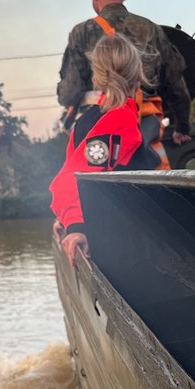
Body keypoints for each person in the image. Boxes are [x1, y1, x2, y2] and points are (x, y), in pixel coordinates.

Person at [57, 0, 193, 170]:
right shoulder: (151, 30)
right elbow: (176, 86)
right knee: (151, 183)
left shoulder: (82, 33)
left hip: (97, 135)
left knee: (94, 189)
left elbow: (70, 93)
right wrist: (181, 127)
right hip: (143, 130)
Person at [51, 33, 163, 264]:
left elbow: (74, 172)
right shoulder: (120, 119)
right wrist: (75, 225)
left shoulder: (85, 120)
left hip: (117, 243)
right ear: (139, 75)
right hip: (124, 249)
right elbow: (72, 179)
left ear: (97, 78)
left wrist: (67, 220)